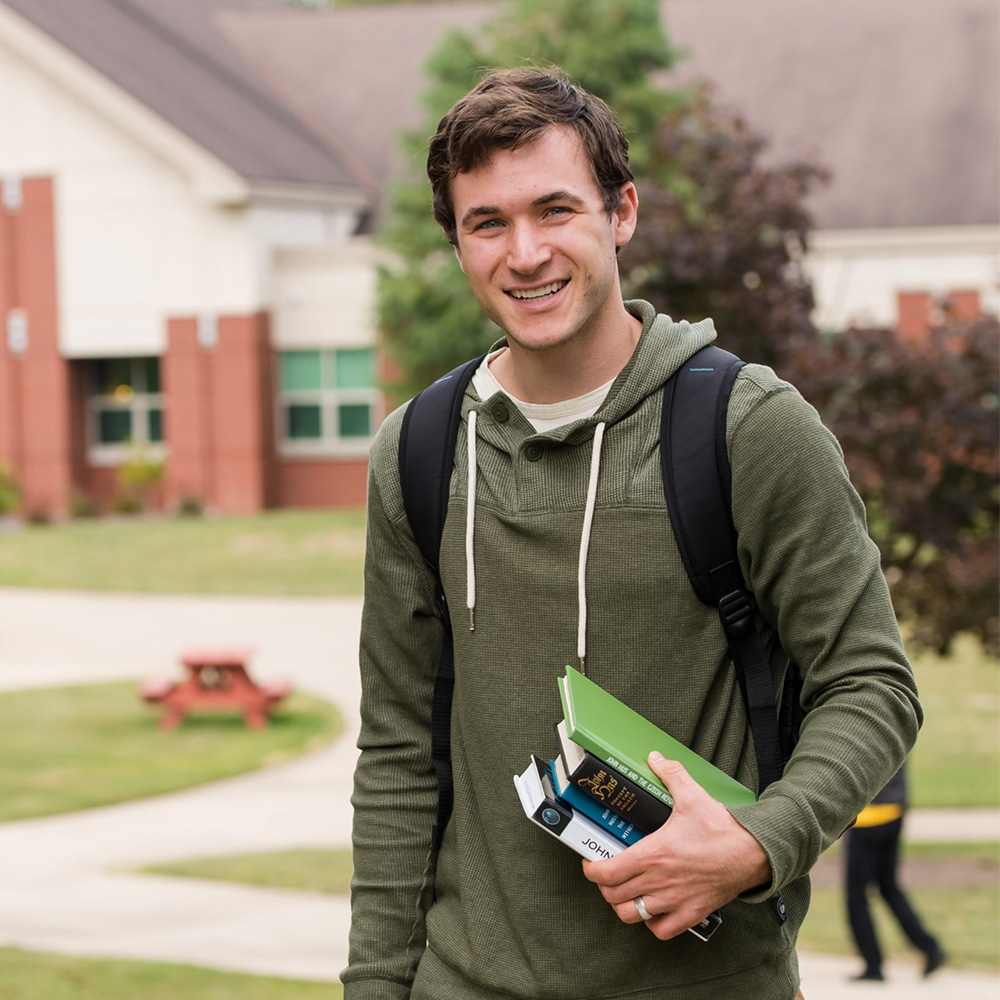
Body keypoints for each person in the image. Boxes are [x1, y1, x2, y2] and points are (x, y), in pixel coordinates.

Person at [344, 67, 921, 1000]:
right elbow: (401, 754)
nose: (525, 252)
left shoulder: (747, 427)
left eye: (556, 210)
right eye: (488, 223)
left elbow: (873, 686)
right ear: (456, 245)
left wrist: (755, 842)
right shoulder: (416, 454)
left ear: (622, 213)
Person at [845, 764, 946, 982]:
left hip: (867, 818)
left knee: (856, 896)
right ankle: (929, 947)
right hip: (894, 810)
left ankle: (873, 965)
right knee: (888, 887)